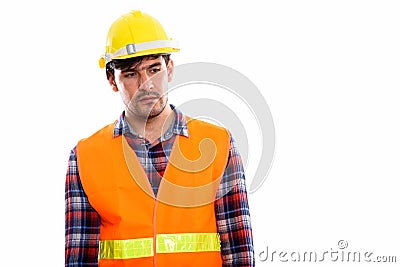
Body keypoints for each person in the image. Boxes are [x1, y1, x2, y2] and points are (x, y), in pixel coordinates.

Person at [65, 9, 255, 267]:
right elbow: (79, 258)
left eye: (154, 69)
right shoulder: (85, 157)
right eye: (131, 74)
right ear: (112, 80)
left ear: (170, 69)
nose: (147, 84)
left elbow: (239, 251)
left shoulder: (218, 143)